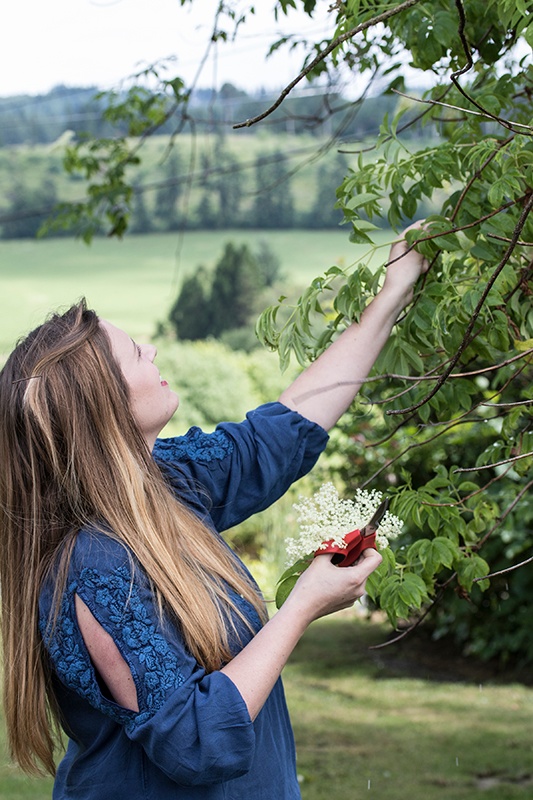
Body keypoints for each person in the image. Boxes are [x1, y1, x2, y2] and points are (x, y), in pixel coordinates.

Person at [0, 227, 427, 799]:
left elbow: (287, 425)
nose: (151, 350)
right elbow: (196, 743)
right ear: (104, 405)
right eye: (134, 351)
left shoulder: (169, 484)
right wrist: (301, 607)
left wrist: (394, 292)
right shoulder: (94, 565)